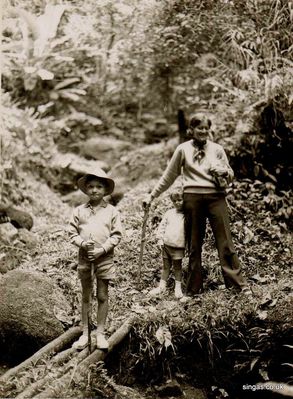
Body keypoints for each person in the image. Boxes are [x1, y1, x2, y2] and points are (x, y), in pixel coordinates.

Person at [144, 113, 252, 297]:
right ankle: (194, 290)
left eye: (205, 128)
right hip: (192, 198)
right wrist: (152, 195)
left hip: (216, 197)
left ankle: (237, 286)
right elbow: (169, 176)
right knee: (194, 244)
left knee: (225, 241)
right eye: (199, 128)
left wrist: (224, 172)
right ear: (191, 130)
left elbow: (231, 174)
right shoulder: (182, 149)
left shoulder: (217, 149)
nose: (203, 131)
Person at [69, 168, 123, 350]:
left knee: (102, 295)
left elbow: (116, 235)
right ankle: (85, 333)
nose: (94, 190)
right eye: (90, 186)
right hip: (85, 257)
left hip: (104, 258)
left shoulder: (112, 211)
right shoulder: (79, 211)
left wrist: (102, 250)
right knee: (86, 295)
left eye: (99, 186)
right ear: (86, 189)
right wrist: (83, 244)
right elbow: (71, 232)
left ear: (105, 190)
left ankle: (100, 333)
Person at [149, 189, 185, 299]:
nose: (177, 202)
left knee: (177, 267)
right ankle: (162, 286)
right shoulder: (169, 213)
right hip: (166, 245)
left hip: (178, 246)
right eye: (174, 201)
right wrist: (160, 239)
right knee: (165, 267)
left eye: (180, 200)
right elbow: (162, 226)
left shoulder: (187, 215)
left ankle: (178, 288)